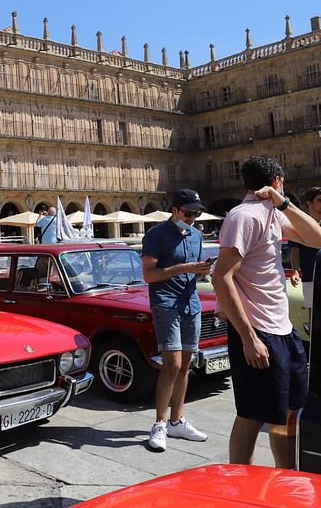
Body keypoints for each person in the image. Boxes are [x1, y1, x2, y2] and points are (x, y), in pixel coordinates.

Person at [212, 155, 321, 469]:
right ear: (277, 179)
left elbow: (320, 238)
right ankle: (239, 482)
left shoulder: (274, 214)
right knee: (251, 415)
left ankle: (285, 476)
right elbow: (221, 277)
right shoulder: (243, 216)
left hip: (282, 327)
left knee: (288, 410)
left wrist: (284, 204)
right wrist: (248, 338)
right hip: (256, 330)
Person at [141, 189, 213, 452]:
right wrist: (185, 268)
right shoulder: (156, 235)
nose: (193, 217)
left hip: (189, 301)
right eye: (189, 212)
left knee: (186, 364)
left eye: (197, 213)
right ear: (175, 210)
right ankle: (159, 422)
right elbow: (149, 275)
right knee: (171, 363)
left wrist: (202, 270)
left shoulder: (196, 235)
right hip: (166, 303)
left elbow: (193, 272)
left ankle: (176, 420)